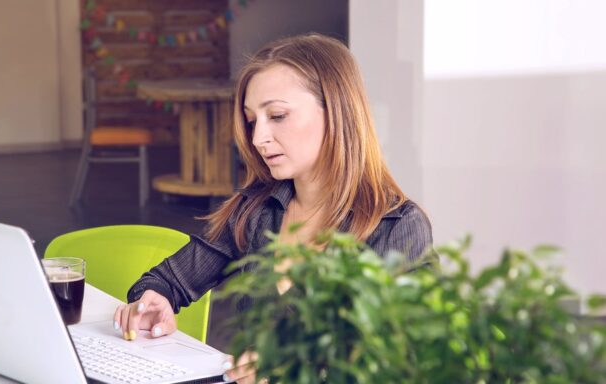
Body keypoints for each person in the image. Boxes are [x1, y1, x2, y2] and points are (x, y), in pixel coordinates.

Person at [113, 33, 433, 383]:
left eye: (277, 115)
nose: (257, 138)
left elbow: (404, 366)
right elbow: (167, 280)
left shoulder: (397, 226)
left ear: (337, 110)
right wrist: (152, 301)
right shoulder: (256, 211)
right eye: (252, 120)